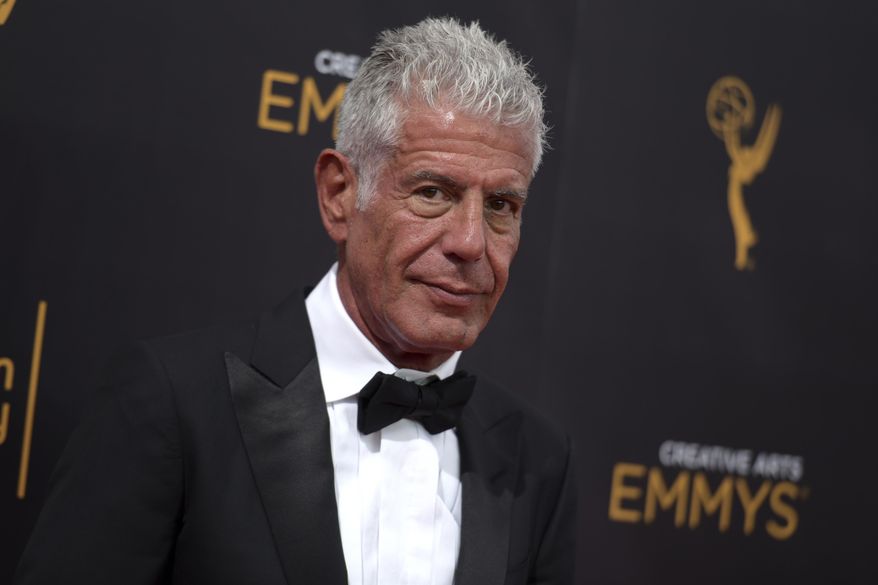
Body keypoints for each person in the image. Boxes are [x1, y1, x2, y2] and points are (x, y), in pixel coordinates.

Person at [14, 17, 575, 585]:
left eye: (502, 205)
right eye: (433, 192)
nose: (471, 242)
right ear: (339, 196)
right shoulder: (172, 405)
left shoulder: (538, 460)